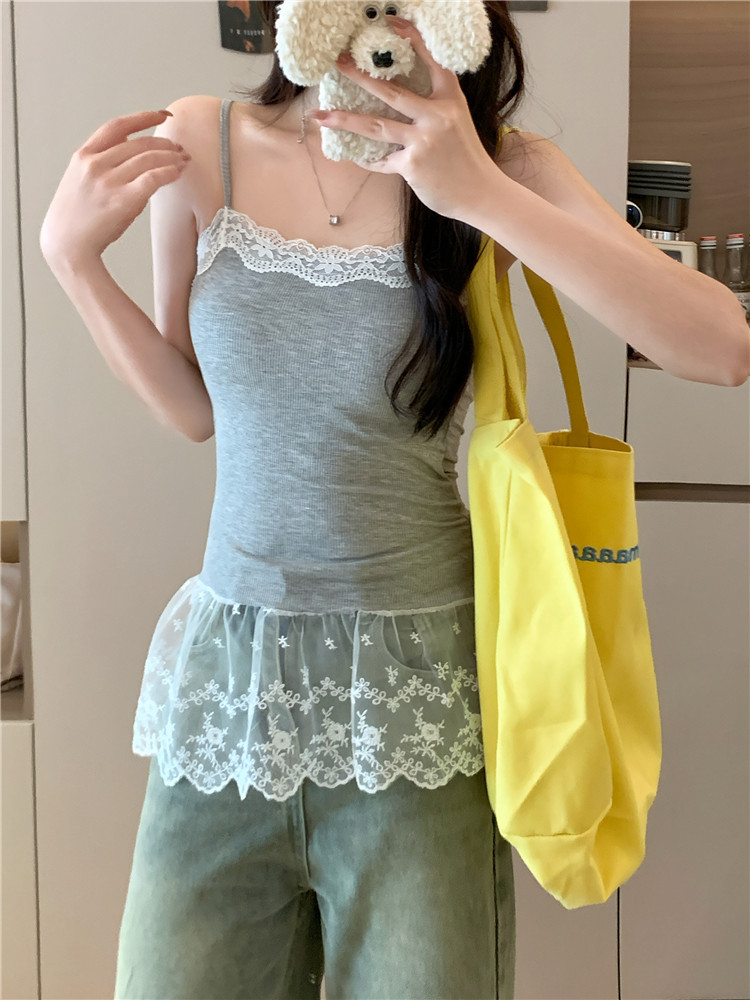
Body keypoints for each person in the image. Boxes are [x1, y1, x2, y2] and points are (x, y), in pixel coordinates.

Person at [39, 2, 749, 999]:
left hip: (417, 709)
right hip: (233, 699)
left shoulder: (501, 164)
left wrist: (479, 194)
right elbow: (196, 410)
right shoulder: (204, 139)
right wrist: (74, 263)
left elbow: (721, 347)